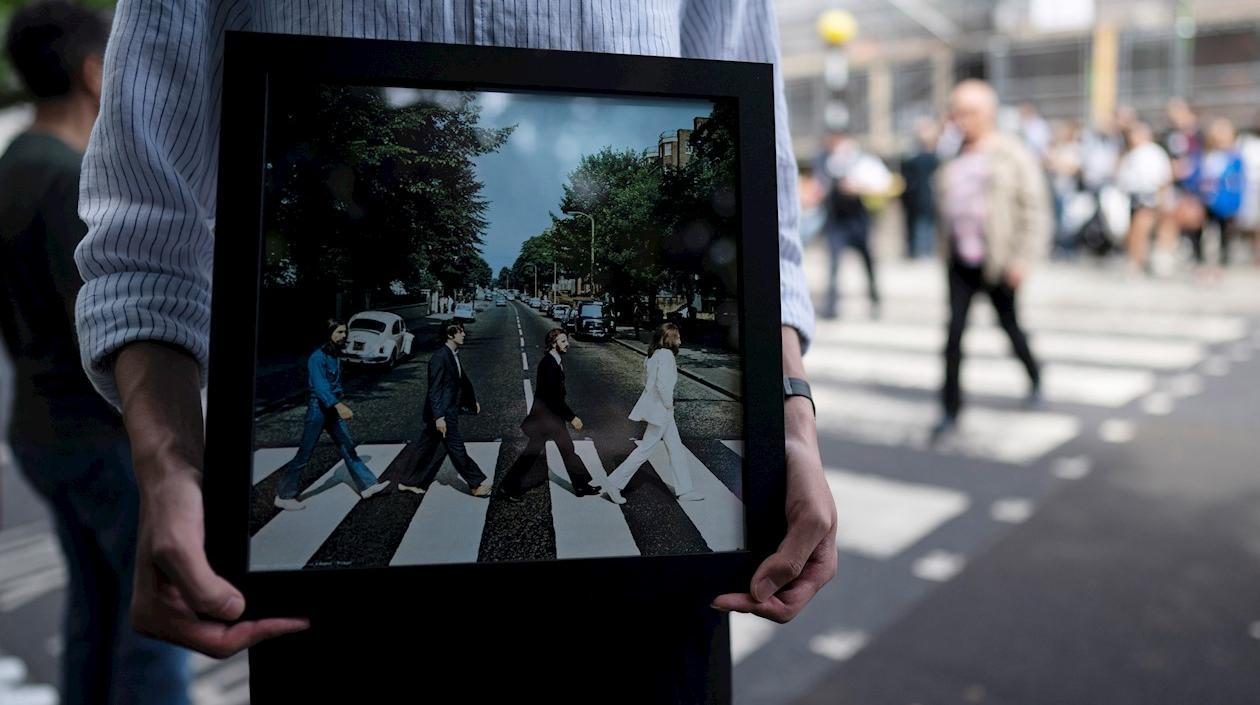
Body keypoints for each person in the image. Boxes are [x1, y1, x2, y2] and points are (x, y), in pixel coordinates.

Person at [75, 3, 836, 702]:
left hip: (651, 614)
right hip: (350, 631)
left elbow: (760, 217)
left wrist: (791, 426)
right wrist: (170, 470)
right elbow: (147, 235)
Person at [0, 3, 189, 703]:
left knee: (91, 613)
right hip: (104, 437)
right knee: (154, 631)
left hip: (36, 429)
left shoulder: (13, 165)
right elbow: (112, 324)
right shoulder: (71, 182)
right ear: (93, 72)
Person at [933, 80, 1050, 437]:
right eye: (956, 112)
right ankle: (950, 409)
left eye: (968, 112)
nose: (961, 120)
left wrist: (1023, 260)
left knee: (1010, 327)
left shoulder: (1011, 153)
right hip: (960, 261)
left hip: (998, 261)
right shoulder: (952, 154)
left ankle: (1034, 375)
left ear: (989, 114)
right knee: (953, 337)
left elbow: (1035, 209)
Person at [273, 320, 390, 510]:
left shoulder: (333, 354)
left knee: (347, 447)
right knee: (305, 453)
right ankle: (284, 495)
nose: (344, 335)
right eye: (339, 332)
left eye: (345, 332)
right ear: (328, 333)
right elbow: (320, 386)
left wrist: (336, 403)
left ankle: (368, 485)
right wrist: (338, 405)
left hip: (331, 408)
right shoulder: (317, 358)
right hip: (319, 408)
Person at [604, 323, 702, 505]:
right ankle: (614, 483)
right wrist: (668, 404)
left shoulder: (653, 355)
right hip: (662, 411)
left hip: (660, 410)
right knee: (645, 450)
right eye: (678, 337)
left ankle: (685, 490)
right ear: (669, 339)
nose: (680, 340)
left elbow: (646, 382)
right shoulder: (666, 355)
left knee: (675, 448)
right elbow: (663, 385)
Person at [497, 328, 600, 501]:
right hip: (546, 419)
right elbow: (554, 399)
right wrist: (572, 417)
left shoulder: (554, 361)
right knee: (532, 454)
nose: (567, 344)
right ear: (553, 344)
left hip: (552, 418)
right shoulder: (549, 364)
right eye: (562, 341)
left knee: (567, 450)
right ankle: (507, 488)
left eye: (566, 340)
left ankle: (581, 485)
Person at [396, 321, 491, 496]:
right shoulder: (440, 357)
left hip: (447, 409)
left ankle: (408, 481)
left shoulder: (452, 354)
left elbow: (462, 380)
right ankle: (475, 484)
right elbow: (435, 390)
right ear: (450, 335)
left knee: (425, 447)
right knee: (456, 448)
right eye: (460, 331)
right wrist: (439, 417)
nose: (464, 334)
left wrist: (471, 401)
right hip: (444, 412)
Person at [815, 129, 892, 318]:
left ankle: (874, 300)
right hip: (837, 222)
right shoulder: (828, 162)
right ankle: (832, 306)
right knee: (833, 265)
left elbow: (882, 183)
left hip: (858, 221)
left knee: (868, 263)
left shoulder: (865, 162)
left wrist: (859, 187)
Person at [1115, 121, 1173, 272]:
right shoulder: (1129, 154)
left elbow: (1164, 178)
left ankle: (1140, 261)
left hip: (1149, 198)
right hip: (1132, 198)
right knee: (1134, 231)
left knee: (1142, 227)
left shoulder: (1154, 152)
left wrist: (1161, 198)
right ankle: (1136, 259)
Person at [900, 118, 941, 259]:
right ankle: (918, 253)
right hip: (916, 198)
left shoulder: (936, 155)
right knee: (918, 226)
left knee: (927, 226)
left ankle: (926, 252)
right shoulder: (914, 156)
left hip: (929, 198)